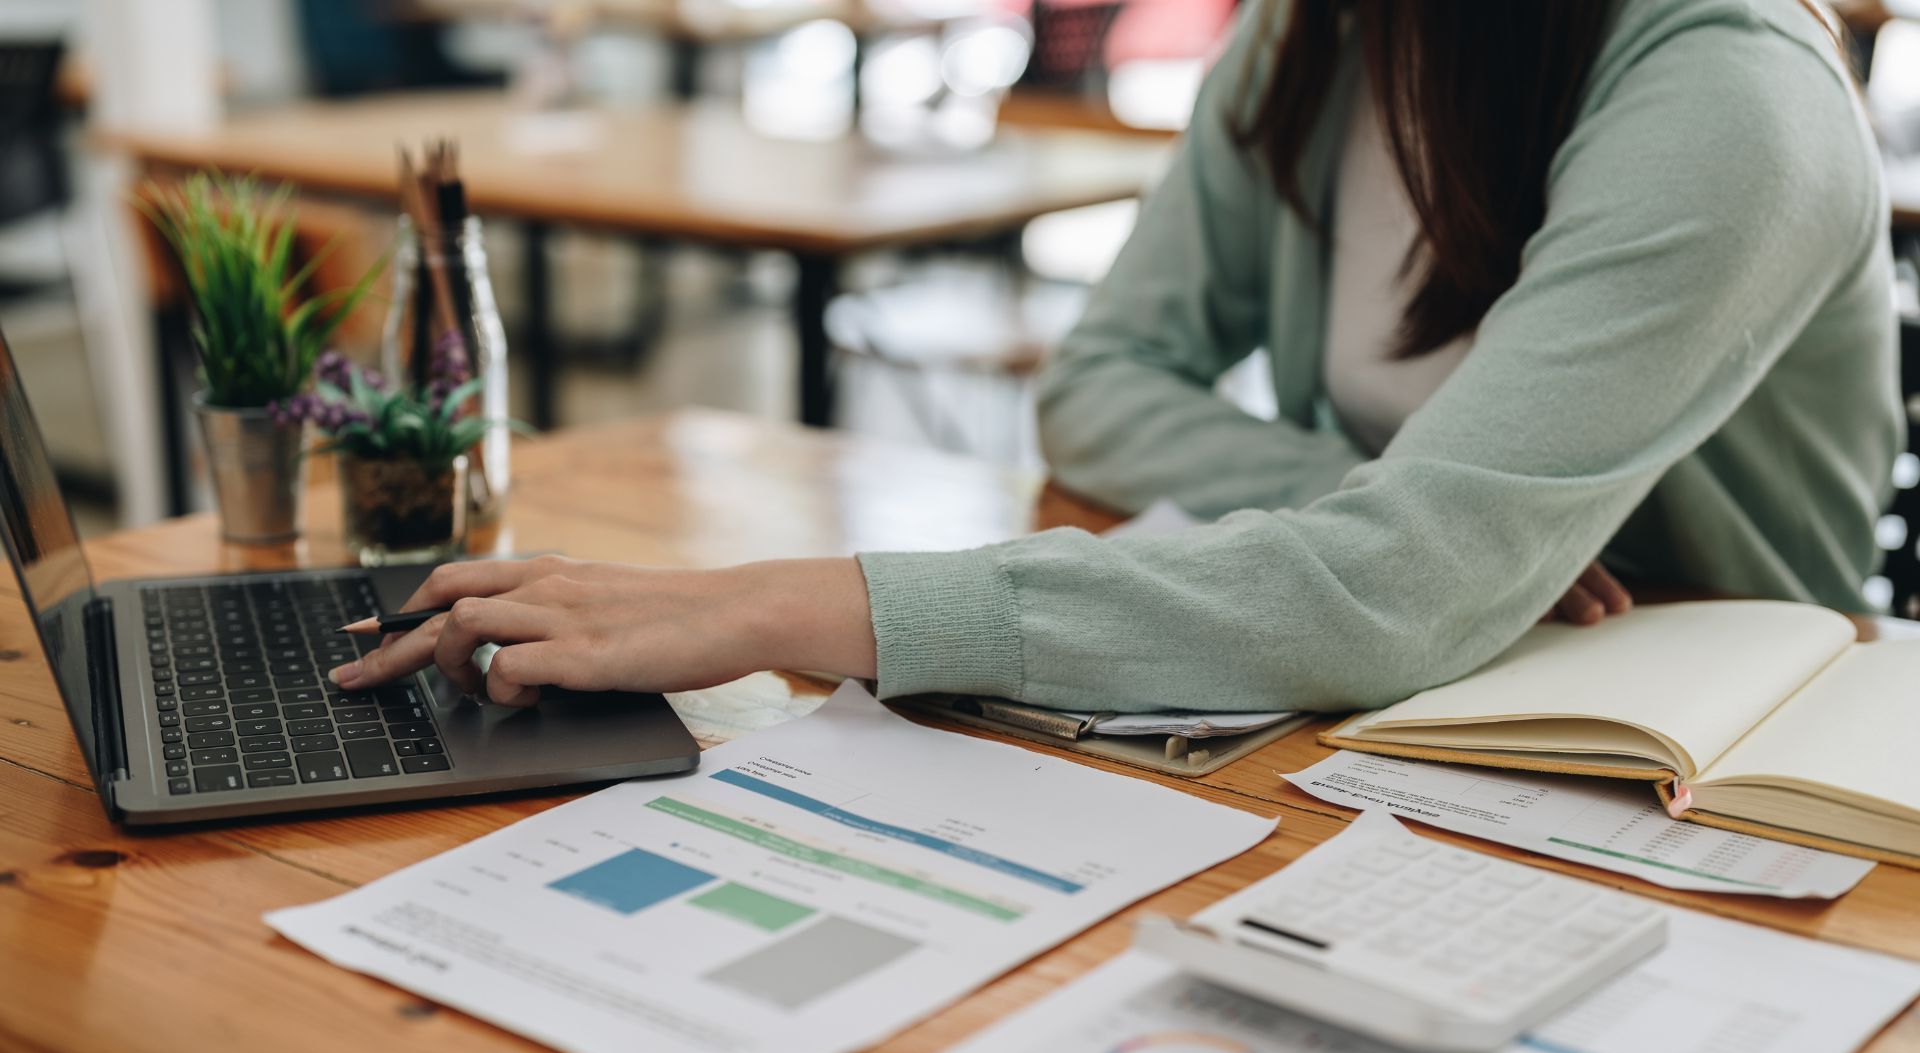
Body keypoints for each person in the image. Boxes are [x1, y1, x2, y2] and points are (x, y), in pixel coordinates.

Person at [331, 0, 1901, 713]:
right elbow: (1105, 389)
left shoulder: (1729, 97)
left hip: (1739, 769)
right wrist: (1419, 508)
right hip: (1460, 715)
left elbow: (1388, 591)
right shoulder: (1319, 43)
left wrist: (775, 604)